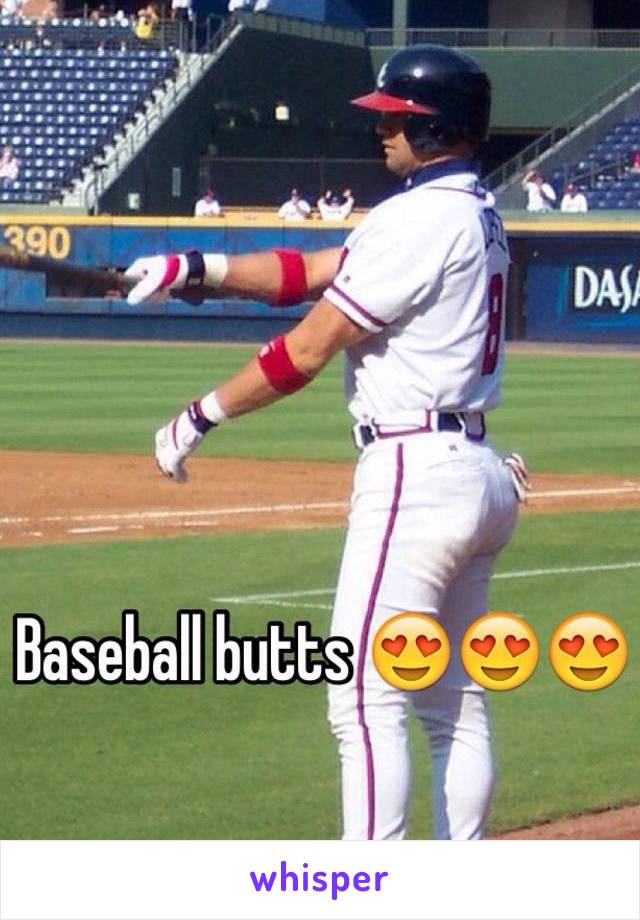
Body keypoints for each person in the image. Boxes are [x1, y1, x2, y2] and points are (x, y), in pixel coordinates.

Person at [124, 43, 527, 840]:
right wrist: (193, 265)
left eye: (396, 120)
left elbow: (309, 347)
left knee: (365, 697)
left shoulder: (416, 217)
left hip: (415, 473)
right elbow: (311, 268)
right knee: (452, 704)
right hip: (473, 468)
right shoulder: (468, 207)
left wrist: (202, 414)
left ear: (435, 124)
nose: (381, 133)